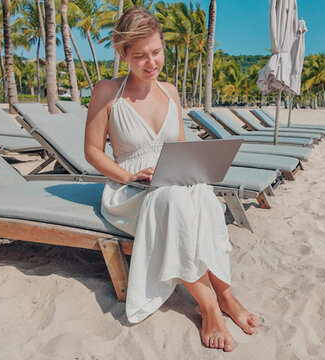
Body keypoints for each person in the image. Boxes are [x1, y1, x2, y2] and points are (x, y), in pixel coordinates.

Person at [83, 6, 258, 352]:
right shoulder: (107, 91)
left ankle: (225, 293)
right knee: (174, 201)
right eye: (140, 56)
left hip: (170, 181)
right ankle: (210, 307)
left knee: (204, 195)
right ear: (123, 55)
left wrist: (191, 170)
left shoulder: (170, 91)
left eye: (157, 52)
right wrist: (132, 175)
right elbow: (93, 152)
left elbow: (178, 148)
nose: (151, 62)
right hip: (129, 189)